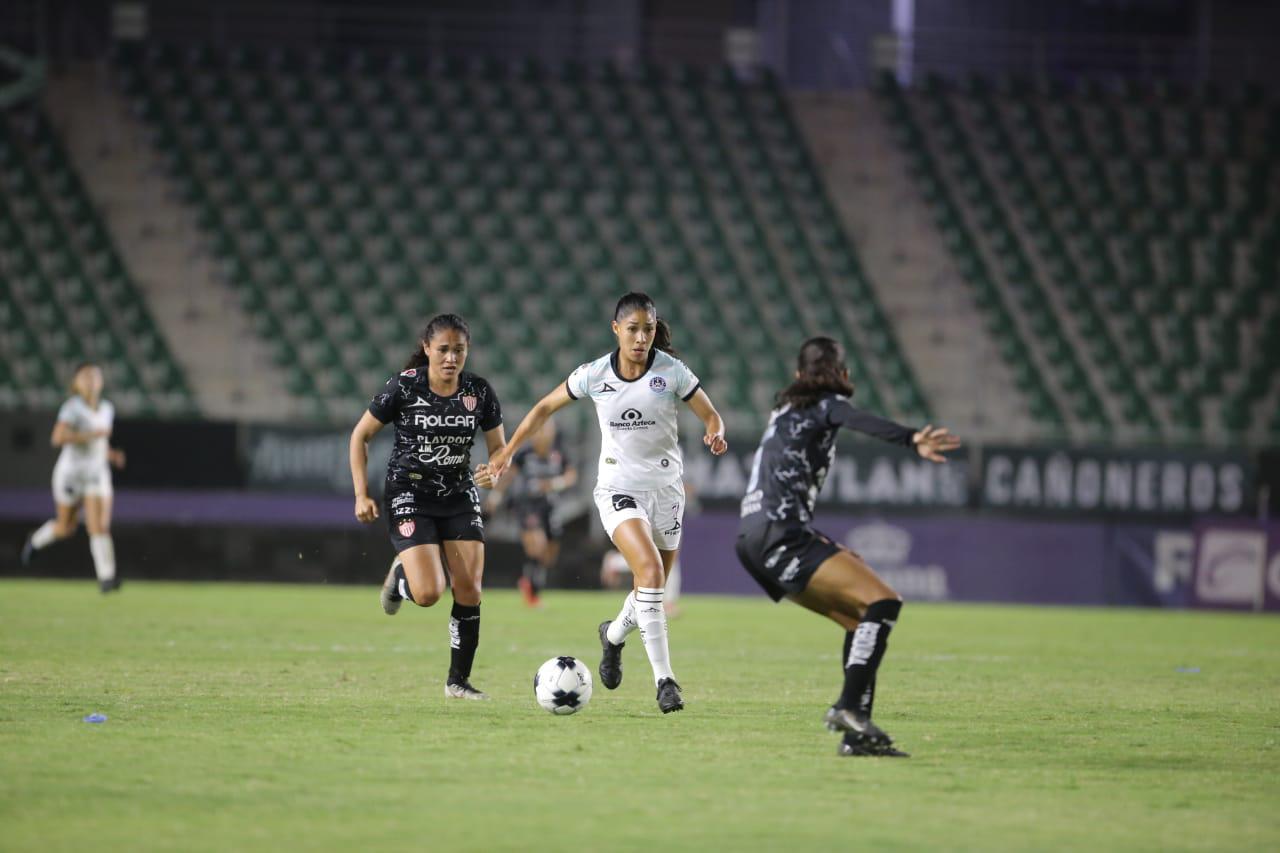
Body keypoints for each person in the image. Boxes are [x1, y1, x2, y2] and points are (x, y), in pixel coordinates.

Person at [483, 292, 727, 714]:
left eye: (648, 329)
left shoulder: (672, 372)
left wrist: (714, 430)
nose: (640, 338)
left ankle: (612, 637)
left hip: (667, 492)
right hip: (618, 488)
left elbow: (710, 413)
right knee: (650, 573)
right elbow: (544, 407)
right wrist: (506, 452)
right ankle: (665, 680)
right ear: (616, 330)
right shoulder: (595, 374)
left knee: (647, 589)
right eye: (632, 329)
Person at [734, 337, 960, 757]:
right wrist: (912, 439)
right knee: (884, 602)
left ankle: (857, 737)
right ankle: (849, 707)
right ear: (844, 375)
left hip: (752, 537)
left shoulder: (781, 410)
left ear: (798, 375)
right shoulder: (828, 404)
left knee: (860, 623)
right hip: (780, 533)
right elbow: (858, 421)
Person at [349, 313, 506, 700]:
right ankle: (402, 576)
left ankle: (458, 682)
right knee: (429, 594)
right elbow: (360, 436)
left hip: (458, 494)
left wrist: (494, 470)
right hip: (410, 494)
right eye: (443, 350)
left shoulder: (479, 392)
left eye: (459, 350)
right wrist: (361, 494)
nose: (451, 358)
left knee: (469, 588)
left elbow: (499, 448)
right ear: (427, 349)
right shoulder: (404, 387)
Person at [21, 362, 126, 592]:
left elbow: (99, 443)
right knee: (65, 527)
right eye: (85, 376)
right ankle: (36, 541)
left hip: (96, 473)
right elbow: (57, 438)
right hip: (71, 474)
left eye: (95, 376)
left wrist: (111, 454)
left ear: (101, 381)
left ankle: (106, 578)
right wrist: (89, 435)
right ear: (76, 383)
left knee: (99, 526)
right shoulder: (72, 408)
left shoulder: (107, 408)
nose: (91, 380)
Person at [484, 419, 578, 607]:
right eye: (539, 430)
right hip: (526, 504)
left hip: (549, 506)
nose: (543, 434)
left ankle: (530, 580)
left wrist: (553, 484)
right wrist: (495, 498)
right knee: (537, 546)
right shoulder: (525, 453)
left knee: (549, 555)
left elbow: (571, 476)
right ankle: (532, 591)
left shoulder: (558, 453)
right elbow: (508, 476)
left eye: (546, 430)